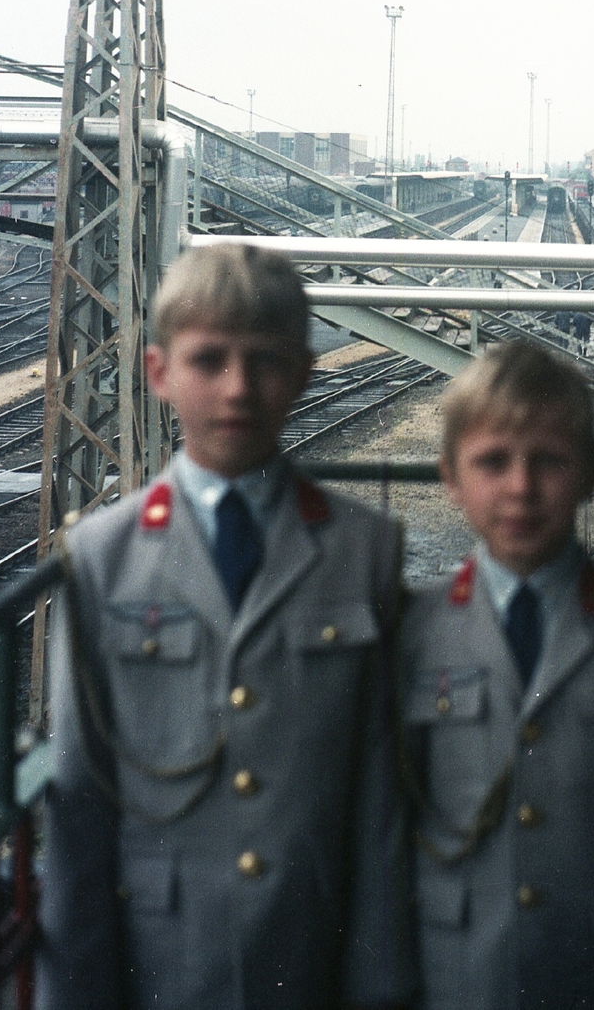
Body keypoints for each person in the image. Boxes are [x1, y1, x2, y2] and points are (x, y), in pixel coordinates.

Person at [39, 243, 413, 1010]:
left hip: (314, 957)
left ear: (306, 374)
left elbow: (382, 804)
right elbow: (78, 808)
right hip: (162, 965)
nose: (238, 387)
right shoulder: (104, 558)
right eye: (208, 359)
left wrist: (383, 988)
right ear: (158, 373)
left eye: (267, 361)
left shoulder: (362, 550)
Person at [404, 340, 594, 1010]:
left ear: (592, 470)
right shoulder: (413, 632)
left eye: (549, 461)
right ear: (451, 476)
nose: (521, 488)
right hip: (456, 976)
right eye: (493, 462)